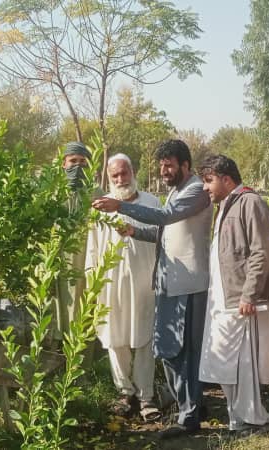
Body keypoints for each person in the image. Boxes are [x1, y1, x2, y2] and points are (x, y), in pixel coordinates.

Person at [92, 139, 213, 439]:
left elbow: (164, 217)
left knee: (186, 350)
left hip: (189, 283)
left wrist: (121, 206)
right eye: (161, 165)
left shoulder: (195, 190)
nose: (164, 170)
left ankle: (191, 413)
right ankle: (187, 406)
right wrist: (133, 231)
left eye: (169, 165)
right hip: (169, 283)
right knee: (170, 349)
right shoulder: (176, 190)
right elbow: (163, 232)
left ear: (185, 165)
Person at [196, 154, 269, 435]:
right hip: (222, 299)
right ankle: (237, 418)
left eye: (209, 181)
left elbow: (261, 251)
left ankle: (254, 419)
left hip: (240, 300)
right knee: (222, 362)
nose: (205, 188)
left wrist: (249, 295)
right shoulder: (226, 205)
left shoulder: (250, 203)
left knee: (242, 364)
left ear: (226, 179)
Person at [85, 153, 161, 421]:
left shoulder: (152, 204)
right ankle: (124, 392)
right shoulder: (99, 208)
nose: (120, 179)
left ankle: (146, 397)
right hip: (110, 285)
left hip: (144, 285)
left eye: (124, 173)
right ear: (108, 178)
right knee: (114, 339)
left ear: (133, 171)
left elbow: (163, 241)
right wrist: (92, 283)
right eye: (115, 175)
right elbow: (92, 249)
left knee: (144, 340)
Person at [57, 141, 92, 335]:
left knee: (81, 312)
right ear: (64, 164)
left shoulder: (96, 195)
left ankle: (81, 363)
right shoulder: (52, 194)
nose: (78, 166)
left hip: (82, 263)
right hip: (56, 263)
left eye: (82, 161)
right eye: (73, 161)